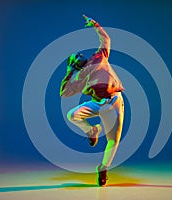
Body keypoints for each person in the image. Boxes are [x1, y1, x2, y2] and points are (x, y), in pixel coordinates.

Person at [60, 15, 124, 186]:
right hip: (97, 104)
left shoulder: (98, 57)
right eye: (75, 58)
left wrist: (95, 25)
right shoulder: (79, 78)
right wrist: (68, 72)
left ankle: (103, 168)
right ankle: (91, 131)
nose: (79, 55)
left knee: (113, 139)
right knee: (72, 115)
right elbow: (64, 93)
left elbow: (106, 39)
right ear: (74, 65)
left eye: (79, 54)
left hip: (114, 101)